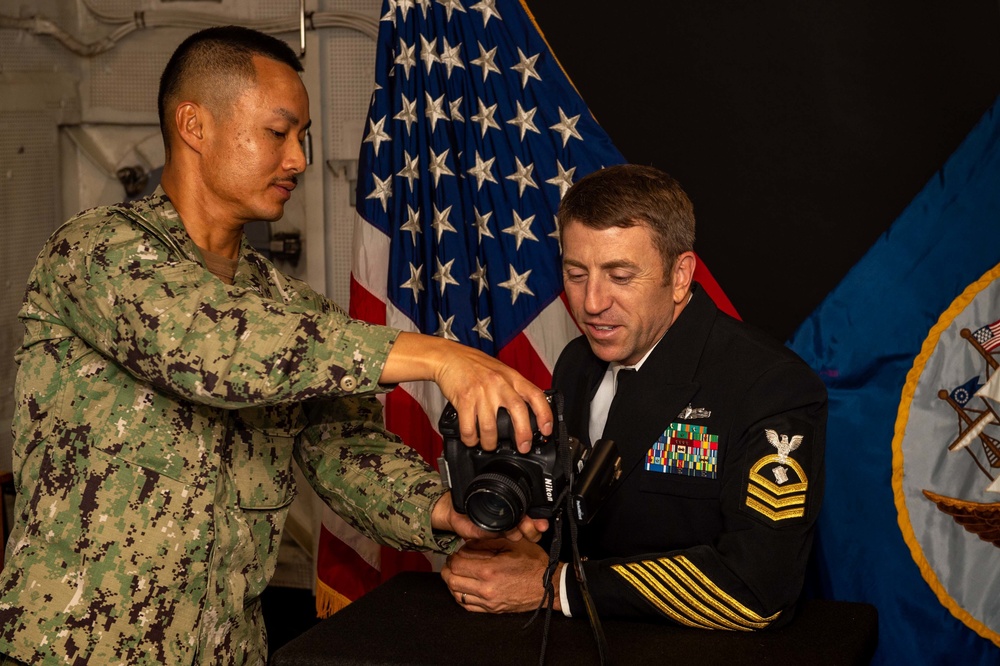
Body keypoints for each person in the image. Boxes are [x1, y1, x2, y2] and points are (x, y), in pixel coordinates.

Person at [0, 26, 552, 665]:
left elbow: (345, 450)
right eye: (277, 132)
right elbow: (210, 349)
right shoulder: (98, 251)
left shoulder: (288, 308)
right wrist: (439, 356)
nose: (299, 160)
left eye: (304, 137)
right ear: (194, 125)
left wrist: (441, 510)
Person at [442, 164, 827, 630]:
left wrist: (554, 584)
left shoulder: (769, 386)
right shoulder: (576, 363)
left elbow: (759, 588)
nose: (592, 302)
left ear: (680, 275)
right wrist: (520, 548)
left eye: (620, 276)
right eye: (576, 273)